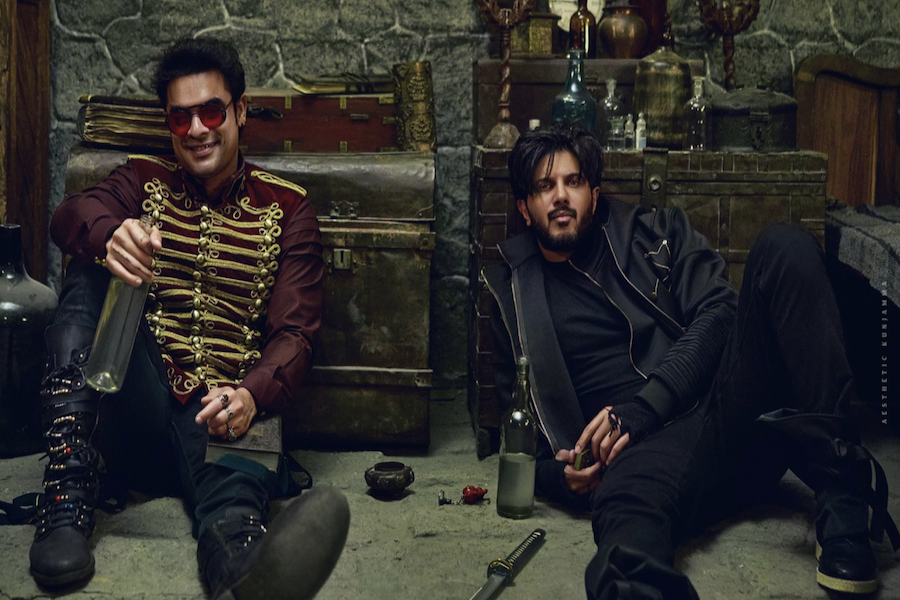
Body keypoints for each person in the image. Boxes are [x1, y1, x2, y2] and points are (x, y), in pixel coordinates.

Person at [484, 124, 898, 599]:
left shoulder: (657, 233)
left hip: (730, 411)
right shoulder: (513, 300)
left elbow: (720, 313)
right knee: (625, 533)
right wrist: (562, 478)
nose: (560, 196)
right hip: (640, 464)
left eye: (572, 181)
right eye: (544, 186)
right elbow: (523, 447)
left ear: (593, 195)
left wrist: (643, 408)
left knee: (783, 244)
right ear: (525, 208)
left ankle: (842, 491)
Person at [29, 37, 349, 599]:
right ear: (168, 124)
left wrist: (250, 395)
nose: (197, 129)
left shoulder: (290, 207)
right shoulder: (141, 180)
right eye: (181, 117)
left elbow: (295, 334)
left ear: (240, 111)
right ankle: (66, 494)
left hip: (226, 412)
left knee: (236, 503)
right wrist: (111, 235)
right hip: (138, 407)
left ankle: (245, 577)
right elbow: (70, 215)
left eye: (211, 112)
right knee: (93, 265)